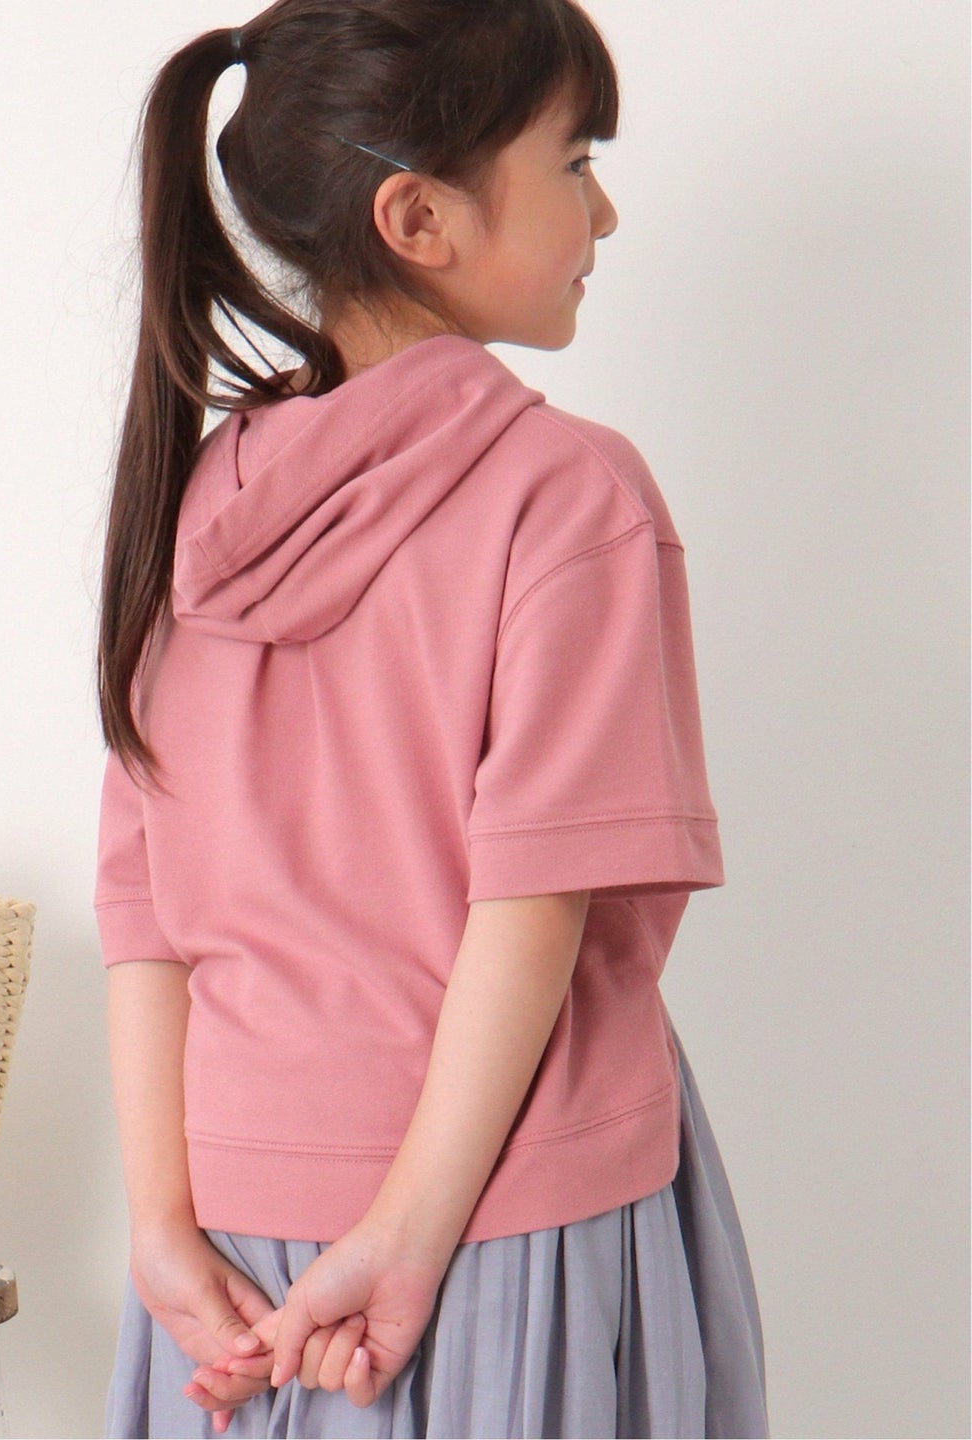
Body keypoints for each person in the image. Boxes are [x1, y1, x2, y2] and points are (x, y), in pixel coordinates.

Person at [92, 2, 770, 1436]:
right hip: (505, 1216)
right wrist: (405, 1236)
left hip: (230, 1253)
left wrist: (157, 1220)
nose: (605, 210)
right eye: (575, 162)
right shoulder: (567, 493)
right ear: (418, 218)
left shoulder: (201, 502)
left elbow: (144, 915)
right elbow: (534, 904)